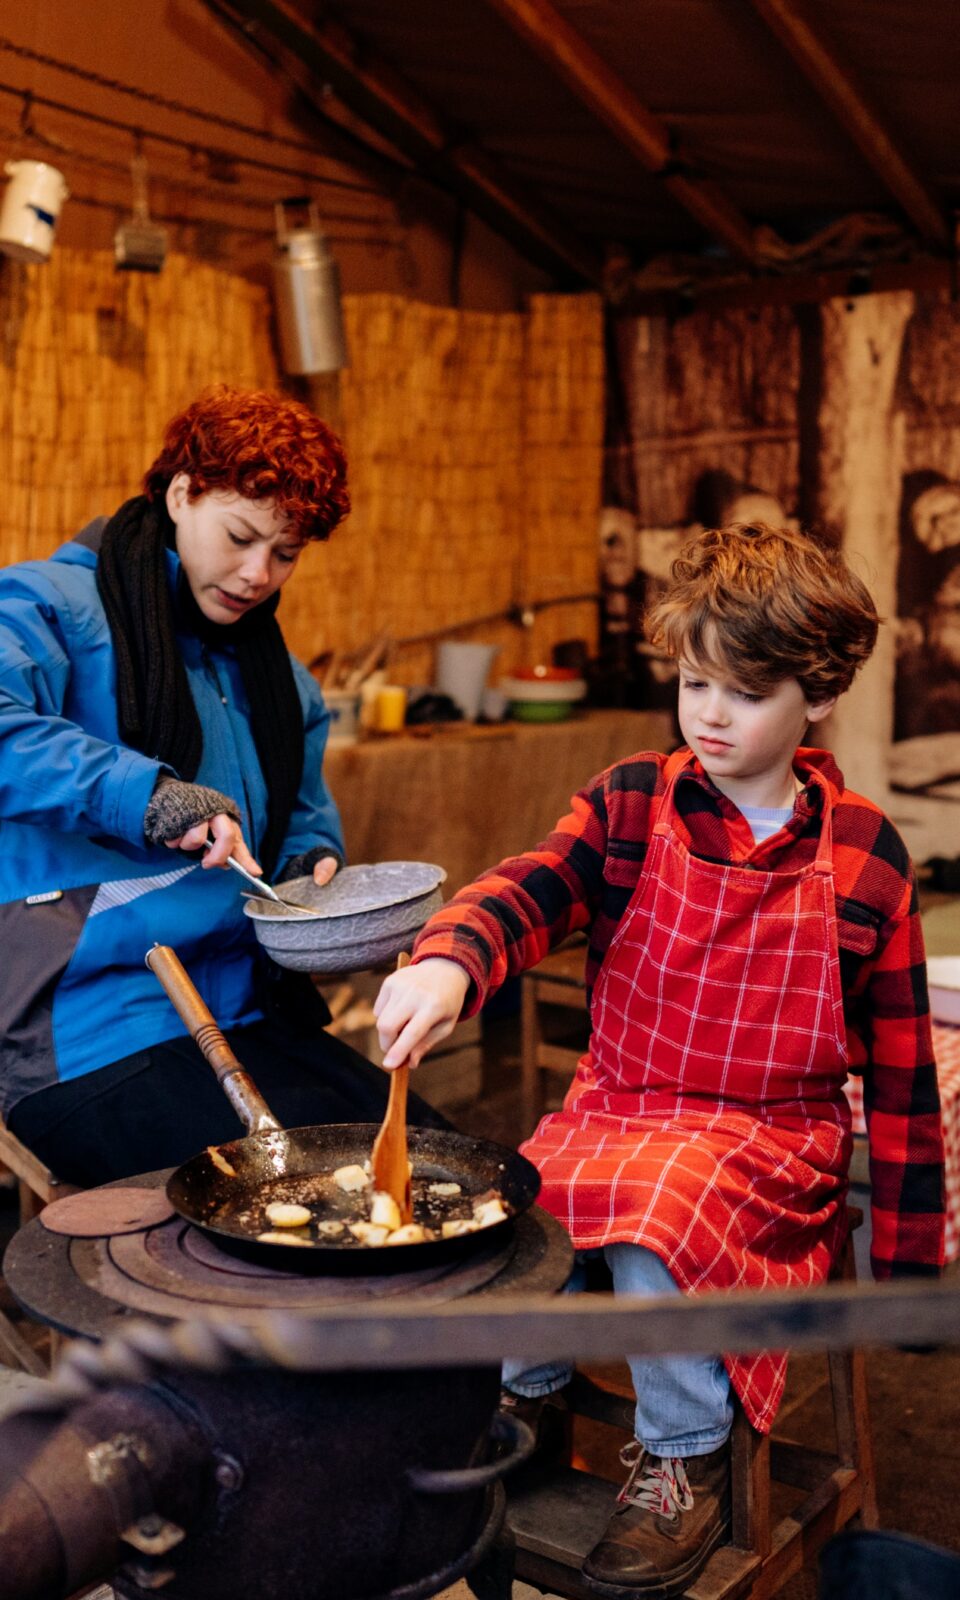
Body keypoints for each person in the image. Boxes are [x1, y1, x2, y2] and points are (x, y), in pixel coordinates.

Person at [373, 522, 946, 1599]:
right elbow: (529, 886)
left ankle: (684, 1456)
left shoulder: (864, 853)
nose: (713, 715)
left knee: (652, 1217)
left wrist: (907, 1268)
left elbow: (907, 1072)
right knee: (519, 1197)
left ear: (818, 695)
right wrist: (451, 962)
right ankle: (527, 1396)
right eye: (693, 684)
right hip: (622, 1104)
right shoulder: (635, 802)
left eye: (746, 689)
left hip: (771, 1144)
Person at [0, 385, 441, 1187]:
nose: (256, 575)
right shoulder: (52, 607)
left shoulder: (275, 680)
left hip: (243, 1009)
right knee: (296, 1209)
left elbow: (305, 821)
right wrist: (148, 794)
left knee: (431, 1170)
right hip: (89, 1026)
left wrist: (314, 871)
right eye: (240, 536)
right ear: (179, 494)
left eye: (285, 554)